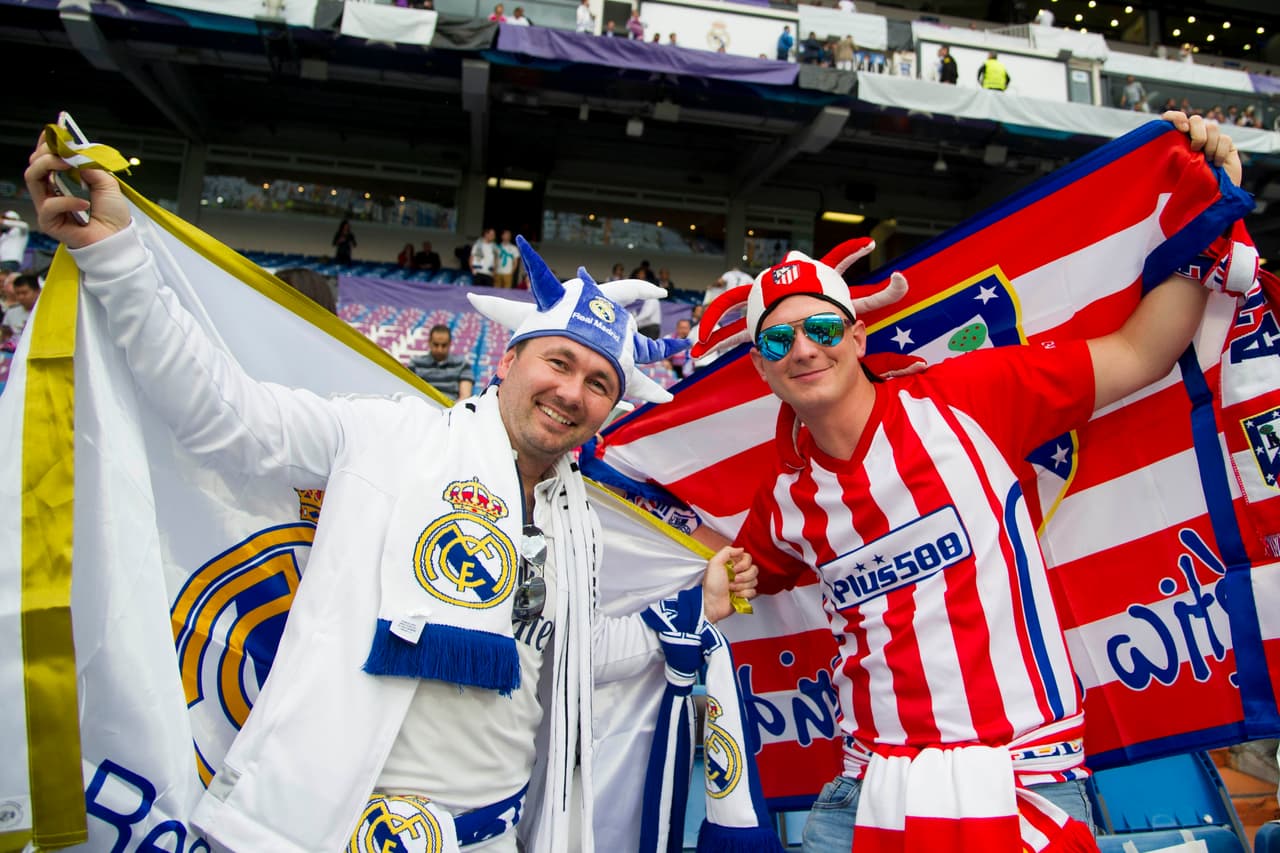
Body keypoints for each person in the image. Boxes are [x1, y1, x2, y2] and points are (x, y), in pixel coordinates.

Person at [25, 140, 761, 853]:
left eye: (599, 381)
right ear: (508, 359)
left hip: (493, 834)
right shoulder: (385, 435)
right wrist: (117, 256)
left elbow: (569, 651)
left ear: (611, 405)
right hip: (334, 831)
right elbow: (224, 415)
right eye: (558, 361)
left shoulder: (576, 521)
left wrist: (699, 599)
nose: (572, 391)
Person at [691, 113, 1243, 852]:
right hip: (866, 788)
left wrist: (1209, 206)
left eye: (822, 329)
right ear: (759, 366)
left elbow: (1140, 353)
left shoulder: (968, 396)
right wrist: (711, 566)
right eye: (778, 339)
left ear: (857, 337)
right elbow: (741, 572)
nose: (803, 349)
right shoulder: (786, 496)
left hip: (1026, 775)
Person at [409, 324, 475, 400]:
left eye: (444, 345)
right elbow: (410, 393)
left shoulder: (462, 364)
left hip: (451, 408)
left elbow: (464, 397)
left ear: (450, 344)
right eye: (436, 345)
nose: (439, 350)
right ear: (429, 343)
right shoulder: (416, 364)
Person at [2, 272, 39, 339]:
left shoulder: (48, 311)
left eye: (24, 293)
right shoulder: (11, 312)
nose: (20, 297)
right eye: (17, 293)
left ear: (37, 291)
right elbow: (6, 337)